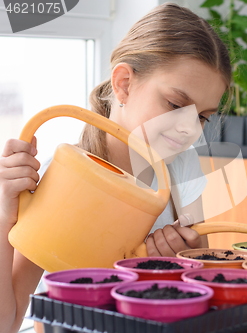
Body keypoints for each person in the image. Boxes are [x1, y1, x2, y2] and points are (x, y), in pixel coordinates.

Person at [0, 3, 231, 332]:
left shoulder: (182, 164)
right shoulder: (67, 178)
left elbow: (199, 280)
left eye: (203, 116)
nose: (190, 130)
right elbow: (7, 322)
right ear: (123, 83)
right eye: (176, 105)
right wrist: (4, 214)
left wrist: (186, 260)